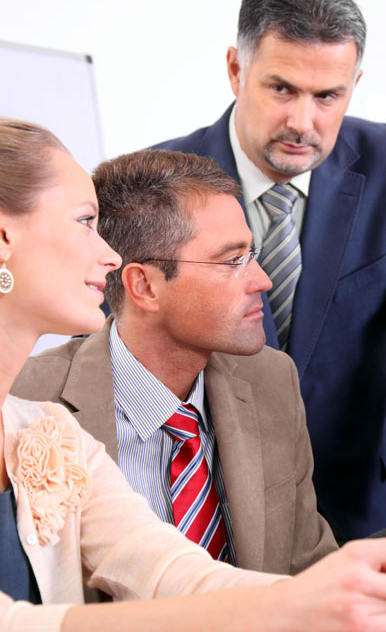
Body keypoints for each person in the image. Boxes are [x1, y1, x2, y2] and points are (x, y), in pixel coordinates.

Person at [0, 118, 386, 630]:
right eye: (85, 221)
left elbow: (172, 572)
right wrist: (298, 602)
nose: (107, 256)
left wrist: (338, 587)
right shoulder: (52, 407)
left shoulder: (49, 433)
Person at [153, 0, 386, 541]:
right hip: (223, 508)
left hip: (372, 499)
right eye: (282, 89)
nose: (304, 123)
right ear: (236, 69)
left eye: (328, 96)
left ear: (354, 83)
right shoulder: (160, 181)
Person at [11, 149, 337, 575]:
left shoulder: (270, 379)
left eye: (251, 254)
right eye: (232, 260)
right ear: (143, 286)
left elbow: (310, 569)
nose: (263, 279)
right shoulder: (25, 401)